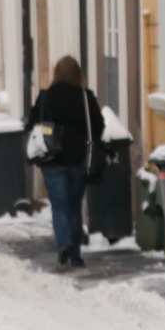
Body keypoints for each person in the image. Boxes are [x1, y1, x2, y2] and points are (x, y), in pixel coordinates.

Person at [24, 55, 105, 269]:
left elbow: (32, 123)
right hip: (78, 160)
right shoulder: (85, 98)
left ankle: (64, 246)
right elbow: (98, 126)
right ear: (79, 74)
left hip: (52, 159)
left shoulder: (46, 97)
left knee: (59, 205)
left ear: (56, 73)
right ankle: (76, 254)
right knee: (74, 206)